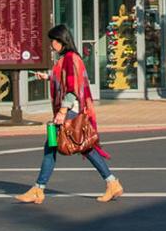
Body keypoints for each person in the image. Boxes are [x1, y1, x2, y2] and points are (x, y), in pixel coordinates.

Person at [16, 24, 123, 204]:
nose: (51, 44)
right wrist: (49, 76)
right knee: (75, 146)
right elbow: (65, 78)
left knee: (62, 147)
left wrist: (62, 112)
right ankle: (112, 183)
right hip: (71, 109)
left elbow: (72, 87)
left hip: (70, 110)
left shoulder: (70, 58)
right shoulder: (67, 58)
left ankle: (39, 189)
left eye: (53, 41)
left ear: (61, 41)